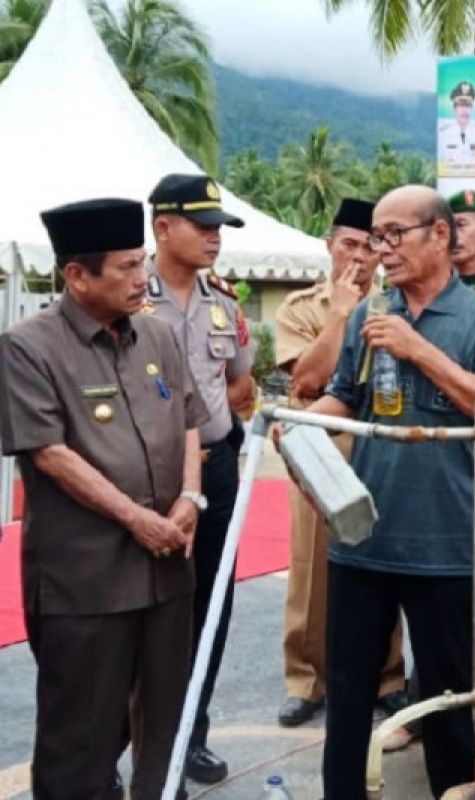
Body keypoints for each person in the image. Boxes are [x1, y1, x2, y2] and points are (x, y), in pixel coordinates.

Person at [304, 185, 475, 799]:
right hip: (362, 539)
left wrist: (418, 349)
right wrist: (302, 431)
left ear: (442, 236)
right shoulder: (370, 315)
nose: (383, 249)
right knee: (347, 702)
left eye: (396, 234)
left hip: (447, 546)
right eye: (378, 236)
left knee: (448, 706)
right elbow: (345, 396)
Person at [0, 198, 207, 798]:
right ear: (77, 275)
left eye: (143, 262)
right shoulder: (27, 347)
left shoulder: (159, 337)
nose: (142, 278)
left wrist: (190, 496)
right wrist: (140, 519)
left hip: (168, 568)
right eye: (125, 267)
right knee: (82, 737)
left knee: (164, 723)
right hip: (85, 584)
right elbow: (49, 454)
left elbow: (190, 420)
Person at [272, 198, 410, 732]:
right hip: (316, 454)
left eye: (369, 245)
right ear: (329, 244)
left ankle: (388, 678)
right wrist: (339, 315)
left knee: (382, 564)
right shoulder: (301, 308)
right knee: (310, 570)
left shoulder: (397, 307)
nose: (358, 255)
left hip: (377, 452)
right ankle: (305, 681)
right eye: (348, 243)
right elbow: (307, 381)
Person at [144, 173, 256, 784]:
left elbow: (240, 382)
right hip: (150, 484)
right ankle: (134, 744)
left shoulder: (224, 304)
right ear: (163, 226)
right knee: (145, 615)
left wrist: (214, 430)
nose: (215, 239)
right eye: (203, 227)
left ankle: (193, 733)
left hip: (218, 475)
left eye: (220, 229)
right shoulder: (131, 299)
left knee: (211, 607)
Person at [438, 81, 475, 163]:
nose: (465, 110)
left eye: (468, 105)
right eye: (461, 105)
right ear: (454, 109)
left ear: (472, 108)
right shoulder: (443, 134)